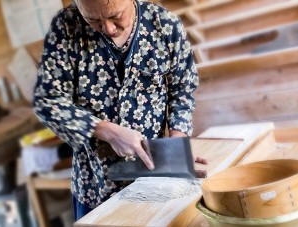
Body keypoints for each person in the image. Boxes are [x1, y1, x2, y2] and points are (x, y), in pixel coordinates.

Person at [33, 0, 199, 221]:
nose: (108, 29)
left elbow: (183, 89)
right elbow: (47, 101)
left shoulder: (165, 24)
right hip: (95, 184)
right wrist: (106, 130)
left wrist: (176, 147)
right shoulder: (66, 27)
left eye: (117, 16)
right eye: (93, 20)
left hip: (155, 178)